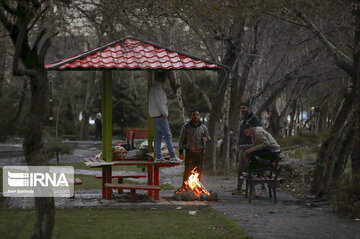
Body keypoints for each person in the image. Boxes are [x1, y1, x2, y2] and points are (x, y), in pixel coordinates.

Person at [148, 71, 180, 163]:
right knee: (168, 135)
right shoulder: (157, 88)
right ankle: (172, 156)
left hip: (155, 115)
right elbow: (160, 102)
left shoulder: (154, 88)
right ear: (162, 78)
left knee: (159, 136)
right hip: (160, 115)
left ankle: (158, 156)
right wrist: (164, 112)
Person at [232, 100, 262, 195]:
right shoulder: (243, 120)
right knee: (240, 169)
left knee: (249, 168)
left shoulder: (254, 119)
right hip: (242, 148)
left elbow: (258, 134)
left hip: (250, 148)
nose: (242, 110)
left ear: (249, 108)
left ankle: (252, 190)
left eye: (244, 108)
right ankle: (239, 188)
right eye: (241, 108)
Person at [179, 110, 210, 182]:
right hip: (189, 152)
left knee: (198, 171)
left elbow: (208, 138)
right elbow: (181, 140)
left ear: (199, 116)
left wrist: (206, 139)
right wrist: (181, 152)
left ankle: (196, 188)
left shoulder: (203, 127)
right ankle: (185, 187)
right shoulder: (186, 127)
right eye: (194, 115)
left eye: (197, 115)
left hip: (200, 153)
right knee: (188, 171)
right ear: (191, 116)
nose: (195, 116)